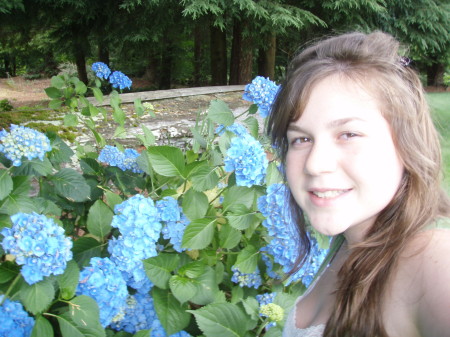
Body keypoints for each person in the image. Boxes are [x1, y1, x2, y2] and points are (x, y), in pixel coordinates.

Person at [267, 31, 450, 337]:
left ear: (406, 144)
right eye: (301, 139)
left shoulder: (432, 260)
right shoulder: (347, 243)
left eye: (348, 134)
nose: (314, 163)